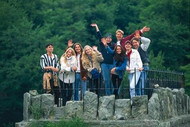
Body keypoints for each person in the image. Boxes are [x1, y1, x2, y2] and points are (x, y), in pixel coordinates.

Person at [91, 23, 114, 96]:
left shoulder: (113, 45)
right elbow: (99, 36)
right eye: (107, 38)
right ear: (105, 38)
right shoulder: (102, 44)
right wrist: (96, 27)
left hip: (111, 64)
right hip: (104, 64)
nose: (108, 39)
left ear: (111, 39)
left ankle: (113, 94)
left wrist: (107, 46)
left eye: (109, 38)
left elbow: (113, 53)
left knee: (112, 80)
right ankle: (108, 95)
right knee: (106, 80)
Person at [131, 31, 151, 95]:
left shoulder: (142, 47)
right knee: (136, 83)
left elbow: (148, 41)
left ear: (138, 42)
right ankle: (137, 97)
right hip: (136, 68)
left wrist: (140, 37)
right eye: (133, 43)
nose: (134, 44)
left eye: (135, 42)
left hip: (144, 66)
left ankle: (142, 98)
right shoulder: (133, 51)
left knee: (142, 84)